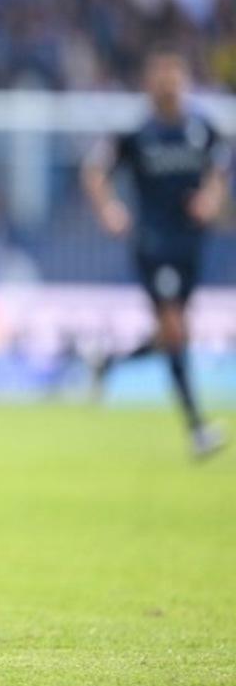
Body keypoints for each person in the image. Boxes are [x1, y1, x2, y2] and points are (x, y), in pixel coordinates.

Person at [82, 49, 230, 460]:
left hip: (190, 245)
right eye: (160, 75)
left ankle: (109, 363)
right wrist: (109, 209)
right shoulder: (136, 135)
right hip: (153, 243)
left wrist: (211, 199)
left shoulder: (202, 130)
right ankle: (198, 428)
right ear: (150, 83)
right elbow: (94, 171)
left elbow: (222, 168)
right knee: (176, 330)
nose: (168, 83)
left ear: (184, 81)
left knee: (172, 335)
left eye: (174, 75)